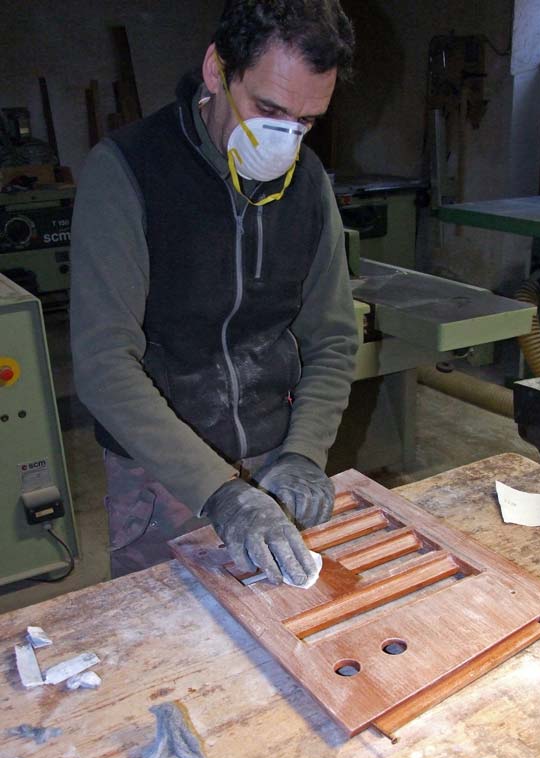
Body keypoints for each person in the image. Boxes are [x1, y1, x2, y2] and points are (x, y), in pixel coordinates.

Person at [70, 0, 358, 584]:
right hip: (163, 470)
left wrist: (304, 453)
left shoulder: (306, 184)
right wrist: (220, 493)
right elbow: (104, 364)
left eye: (306, 121)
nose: (285, 136)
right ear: (215, 71)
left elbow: (331, 338)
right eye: (268, 108)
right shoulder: (128, 172)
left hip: (275, 459)